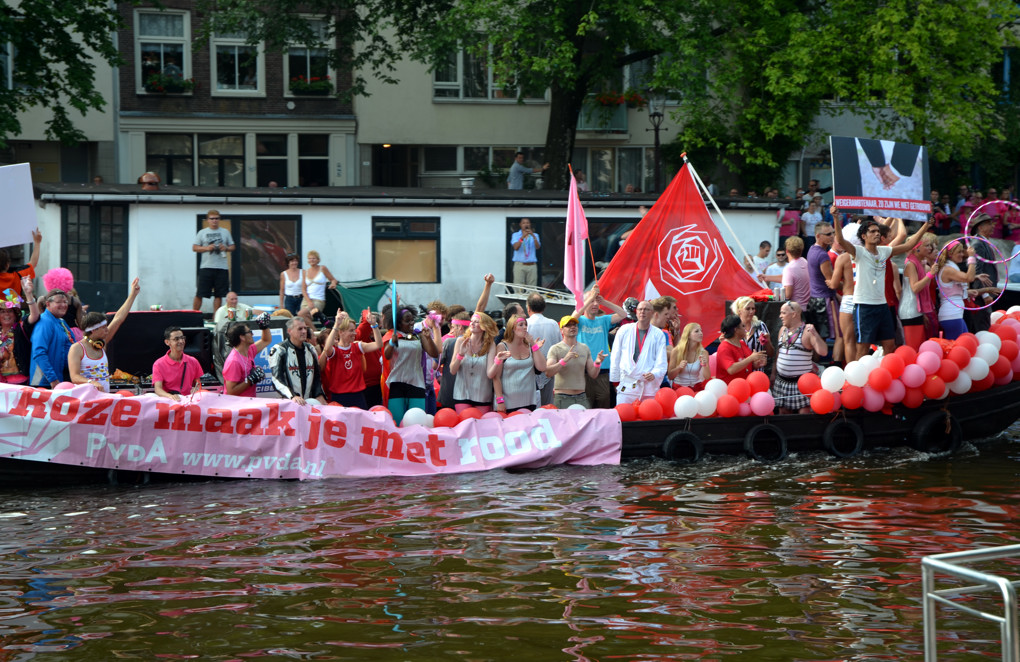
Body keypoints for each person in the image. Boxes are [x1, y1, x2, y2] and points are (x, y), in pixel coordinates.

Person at [834, 211, 931, 358]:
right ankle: (859, 374)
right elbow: (841, 240)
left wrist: (926, 225)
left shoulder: (884, 251)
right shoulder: (858, 252)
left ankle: (884, 371)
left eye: (878, 231)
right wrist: (836, 218)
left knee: (890, 345)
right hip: (864, 306)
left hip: (882, 306)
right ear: (863, 236)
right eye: (872, 231)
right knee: (862, 349)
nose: (877, 234)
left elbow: (909, 245)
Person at [68, 278, 141, 392]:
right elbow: (74, 377)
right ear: (93, 330)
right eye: (103, 328)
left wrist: (133, 295)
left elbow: (118, 319)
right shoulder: (76, 348)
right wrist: (91, 382)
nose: (107, 330)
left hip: (104, 397)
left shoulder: (102, 343)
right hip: (87, 397)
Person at [571, 286, 627, 408]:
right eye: (592, 301)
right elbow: (573, 318)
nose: (595, 304)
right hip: (584, 369)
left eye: (597, 301)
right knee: (586, 404)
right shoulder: (580, 320)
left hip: (603, 368)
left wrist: (604, 302)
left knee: (603, 403)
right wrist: (590, 297)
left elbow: (623, 314)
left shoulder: (603, 320)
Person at [384, 306, 439, 422]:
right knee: (396, 422)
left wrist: (429, 339)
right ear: (399, 323)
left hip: (416, 383)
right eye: (407, 321)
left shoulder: (419, 335)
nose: (411, 323)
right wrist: (392, 342)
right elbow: (387, 355)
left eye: (412, 319)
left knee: (417, 422)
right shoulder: (392, 336)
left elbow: (434, 353)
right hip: (397, 383)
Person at [771, 301, 827, 414]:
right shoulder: (782, 330)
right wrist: (773, 373)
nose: (780, 316)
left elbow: (824, 352)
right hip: (782, 382)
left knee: (804, 415)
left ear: (794, 314)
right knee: (783, 414)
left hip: (803, 384)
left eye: (783, 313)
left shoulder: (807, 331)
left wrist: (815, 334)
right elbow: (779, 353)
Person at [319, 311, 383, 408]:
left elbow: (378, 344)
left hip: (358, 396)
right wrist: (336, 325)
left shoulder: (357, 346)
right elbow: (327, 349)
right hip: (339, 396)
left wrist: (374, 325)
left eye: (354, 330)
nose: (354, 333)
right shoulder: (335, 350)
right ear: (341, 332)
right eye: (351, 330)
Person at [609, 300, 668, 403]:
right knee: (623, 412)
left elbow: (661, 361)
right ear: (636, 312)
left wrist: (654, 373)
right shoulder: (624, 330)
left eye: (646, 309)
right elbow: (615, 356)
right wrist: (615, 381)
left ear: (652, 313)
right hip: (626, 384)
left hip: (648, 386)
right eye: (640, 309)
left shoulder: (658, 334)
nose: (642, 312)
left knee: (648, 413)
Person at [544, 315, 605, 409]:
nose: (572, 327)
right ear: (561, 330)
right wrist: (564, 360)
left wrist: (597, 363)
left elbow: (593, 374)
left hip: (582, 397)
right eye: (568, 325)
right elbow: (548, 373)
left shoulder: (584, 348)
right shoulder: (555, 348)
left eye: (574, 325)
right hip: (562, 397)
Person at [491, 313, 548, 412]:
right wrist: (499, 400)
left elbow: (542, 367)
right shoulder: (502, 346)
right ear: (512, 328)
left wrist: (533, 344)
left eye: (526, 325)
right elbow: (496, 377)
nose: (525, 327)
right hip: (508, 403)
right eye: (521, 325)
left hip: (529, 401)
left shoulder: (529, 346)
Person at [268, 316, 324, 406]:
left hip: (308, 402)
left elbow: (317, 376)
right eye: (300, 329)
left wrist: (319, 394)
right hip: (288, 403)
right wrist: (292, 396)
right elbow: (276, 379)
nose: (304, 331)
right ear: (289, 331)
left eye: (305, 328)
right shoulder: (279, 350)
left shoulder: (311, 349)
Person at [451, 312, 498, 413]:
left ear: (484, 326)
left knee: (481, 423)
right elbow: (452, 371)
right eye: (471, 321)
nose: (472, 323)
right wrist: (460, 355)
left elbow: (490, 374)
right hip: (462, 393)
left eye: (476, 322)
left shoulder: (490, 345)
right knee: (464, 421)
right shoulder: (461, 341)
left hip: (482, 395)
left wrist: (498, 361)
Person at [29, 289, 77, 387]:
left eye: (65, 302)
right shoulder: (44, 322)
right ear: (48, 304)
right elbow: (39, 353)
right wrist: (53, 379)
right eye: (59, 302)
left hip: (61, 379)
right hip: (45, 382)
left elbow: (73, 346)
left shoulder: (61, 321)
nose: (63, 305)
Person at [899, 233, 939, 349]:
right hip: (909, 311)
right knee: (914, 349)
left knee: (920, 347)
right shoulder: (911, 264)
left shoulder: (918, 263)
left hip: (916, 310)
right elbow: (915, 288)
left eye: (930, 245)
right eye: (927, 245)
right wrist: (930, 274)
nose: (930, 248)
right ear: (916, 248)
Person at [935, 240, 979, 340]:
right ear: (950, 254)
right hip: (951, 315)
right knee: (955, 346)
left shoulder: (951, 268)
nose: (962, 254)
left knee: (967, 342)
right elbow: (969, 278)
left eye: (962, 252)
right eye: (959, 252)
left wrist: (967, 292)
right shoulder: (948, 269)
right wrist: (971, 257)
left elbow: (951, 291)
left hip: (955, 314)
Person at [192, 210, 235, 313]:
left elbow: (233, 246)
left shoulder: (225, 232)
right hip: (206, 267)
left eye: (216, 218)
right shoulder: (202, 232)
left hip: (221, 267)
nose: (214, 221)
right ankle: (193, 314)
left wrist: (225, 248)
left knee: (219, 295)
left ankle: (216, 317)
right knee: (200, 293)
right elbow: (195, 247)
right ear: (208, 220)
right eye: (212, 219)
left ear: (219, 219)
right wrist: (207, 248)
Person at [222, 314, 273, 397]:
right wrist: (250, 380)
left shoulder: (249, 350)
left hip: (249, 401)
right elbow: (230, 391)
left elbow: (266, 340)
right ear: (242, 337)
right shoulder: (234, 361)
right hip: (237, 404)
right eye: (250, 332)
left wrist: (264, 326)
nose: (252, 334)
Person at [0, 282, 40, 384]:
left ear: (15, 314)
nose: (6, 314)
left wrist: (28, 294)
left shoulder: (21, 328)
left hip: (20, 382)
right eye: (2, 312)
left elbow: (35, 316)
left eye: (10, 311)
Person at [526, 293, 562, 405]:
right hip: (550, 371)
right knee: (548, 406)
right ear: (544, 307)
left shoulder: (526, 324)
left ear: (528, 308)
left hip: (530, 372)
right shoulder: (553, 324)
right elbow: (559, 346)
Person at [965, 214, 999, 333]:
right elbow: (976, 270)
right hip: (980, 297)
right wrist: (985, 295)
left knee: (984, 325)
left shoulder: (984, 242)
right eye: (989, 224)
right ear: (980, 227)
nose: (993, 226)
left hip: (985, 293)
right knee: (982, 328)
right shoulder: (978, 244)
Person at [152, 326, 204, 401]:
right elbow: (158, 389)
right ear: (167, 342)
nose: (181, 341)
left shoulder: (193, 361)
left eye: (182, 338)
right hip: (169, 403)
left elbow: (198, 383)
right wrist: (170, 396)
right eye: (176, 339)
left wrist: (196, 390)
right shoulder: (158, 364)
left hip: (188, 402)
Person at [806, 223, 837, 342]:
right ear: (818, 236)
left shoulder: (812, 249)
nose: (832, 236)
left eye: (833, 233)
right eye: (828, 234)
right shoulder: (823, 255)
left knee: (817, 338)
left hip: (815, 298)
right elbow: (831, 281)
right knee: (834, 336)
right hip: (824, 300)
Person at [716, 314, 766, 384]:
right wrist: (751, 358)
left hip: (744, 386)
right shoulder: (724, 347)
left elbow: (745, 364)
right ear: (736, 330)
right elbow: (731, 369)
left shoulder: (742, 343)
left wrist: (756, 365)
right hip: (730, 388)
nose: (745, 329)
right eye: (743, 326)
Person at [731, 296, 773, 372]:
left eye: (753, 309)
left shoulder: (760, 325)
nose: (751, 312)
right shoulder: (733, 327)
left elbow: (771, 354)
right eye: (748, 309)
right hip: (740, 372)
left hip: (757, 373)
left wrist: (768, 342)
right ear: (739, 311)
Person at [667, 323, 710, 392]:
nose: (701, 333)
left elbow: (707, 377)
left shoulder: (704, 352)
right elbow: (670, 376)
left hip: (697, 388)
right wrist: (679, 367)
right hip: (679, 389)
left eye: (701, 331)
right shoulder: (676, 351)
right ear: (688, 335)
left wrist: (705, 365)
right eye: (696, 331)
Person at [0, 229, 41, 298]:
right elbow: (33, 263)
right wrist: (37, 243)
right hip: (15, 305)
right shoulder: (17, 275)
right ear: (7, 265)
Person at [302, 250, 338, 316]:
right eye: (309, 258)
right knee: (303, 317)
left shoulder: (323, 268)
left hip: (318, 300)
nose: (311, 260)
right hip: (307, 300)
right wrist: (309, 301)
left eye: (313, 258)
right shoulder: (305, 272)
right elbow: (303, 289)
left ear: (318, 260)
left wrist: (333, 283)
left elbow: (333, 279)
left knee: (301, 314)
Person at [782, 236, 811, 308]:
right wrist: (767, 277)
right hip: (807, 307)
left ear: (787, 251)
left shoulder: (789, 269)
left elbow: (787, 295)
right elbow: (792, 278)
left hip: (795, 309)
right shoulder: (804, 262)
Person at [510, 219, 541, 286]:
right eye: (524, 223)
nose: (526, 224)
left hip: (532, 265)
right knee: (519, 286)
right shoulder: (516, 235)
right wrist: (522, 237)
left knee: (532, 287)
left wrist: (533, 236)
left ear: (530, 224)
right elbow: (516, 247)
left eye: (527, 223)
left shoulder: (535, 235)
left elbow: (537, 247)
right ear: (520, 225)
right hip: (520, 265)